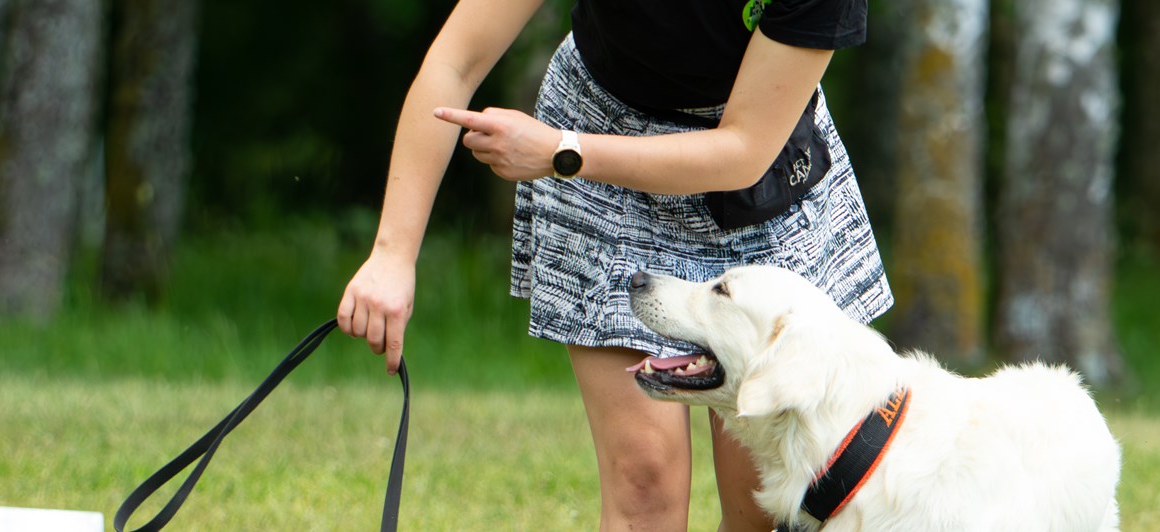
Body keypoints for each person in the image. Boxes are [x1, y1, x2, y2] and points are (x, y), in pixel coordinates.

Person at [336, 0, 892, 530]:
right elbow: (454, 62)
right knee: (644, 479)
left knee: (765, 505)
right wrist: (392, 255)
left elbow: (743, 149)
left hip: (752, 174)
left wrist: (562, 152)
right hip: (599, 139)